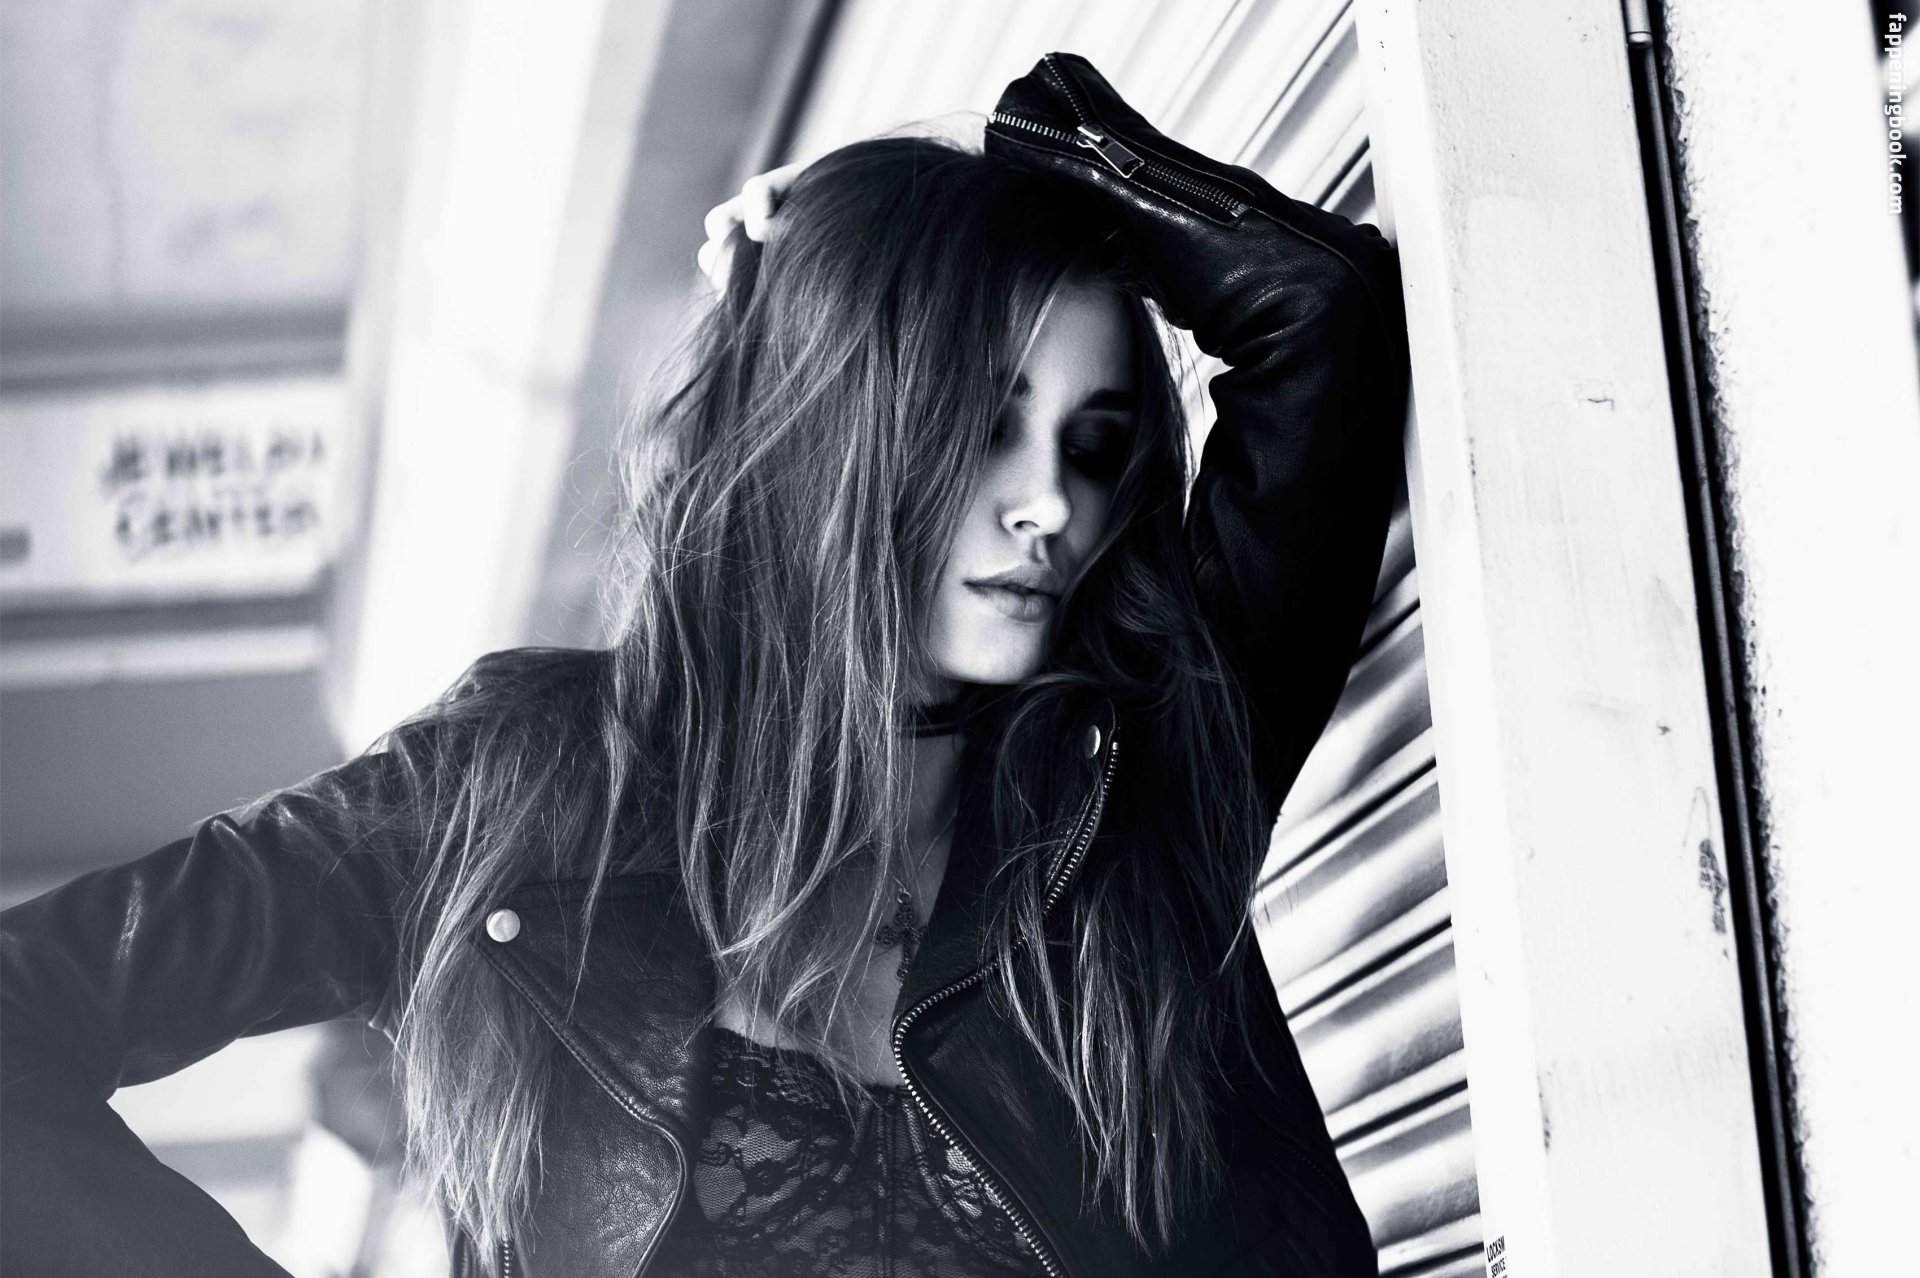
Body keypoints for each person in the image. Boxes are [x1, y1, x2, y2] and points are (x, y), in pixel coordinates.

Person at [0, 53, 1409, 1278]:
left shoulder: (1137, 772)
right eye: (983, 425)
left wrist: (996, 152)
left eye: (1092, 446)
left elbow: (1319, 312)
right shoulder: (518, 783)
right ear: (833, 422)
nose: (1050, 503)